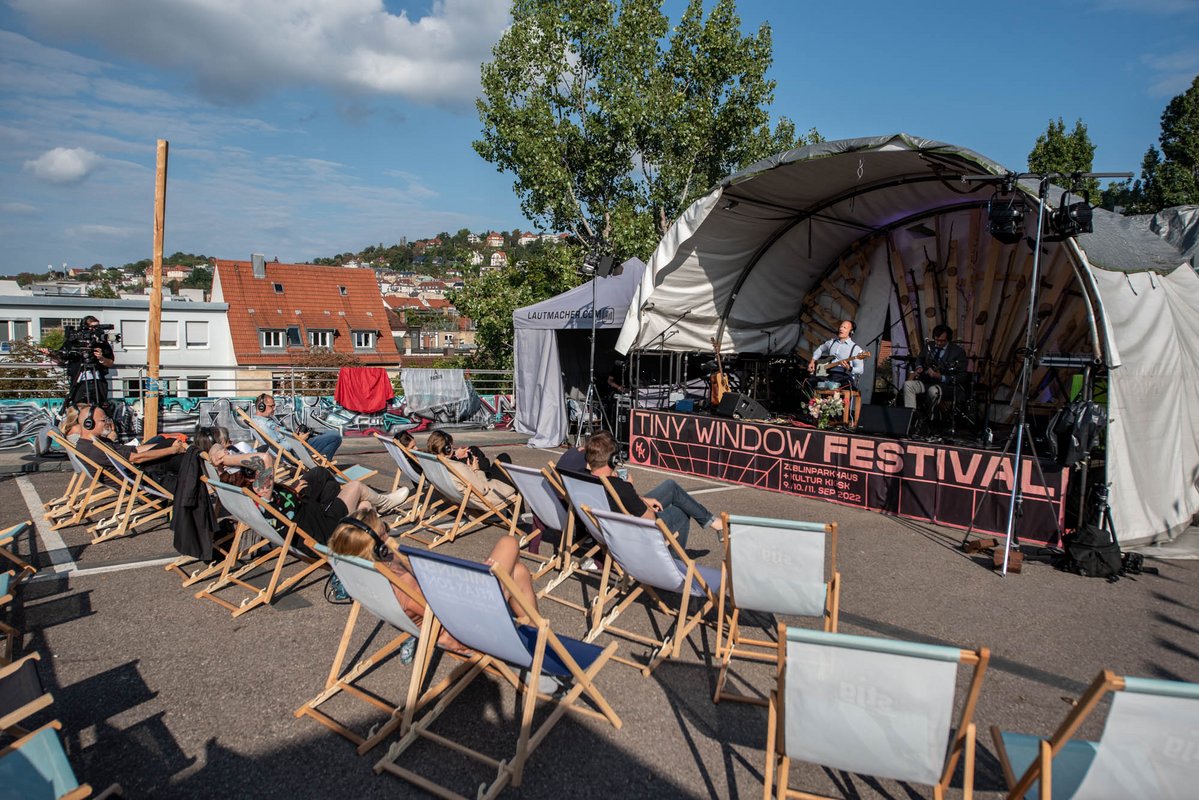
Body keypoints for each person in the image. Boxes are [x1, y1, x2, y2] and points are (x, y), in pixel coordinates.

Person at [327, 504, 541, 653]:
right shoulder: (402, 589)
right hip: (472, 621)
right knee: (509, 542)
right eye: (386, 531)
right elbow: (450, 624)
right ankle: (535, 644)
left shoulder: (377, 576)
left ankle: (535, 634)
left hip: (452, 607)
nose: (390, 535)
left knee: (519, 572)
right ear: (378, 547)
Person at [583, 431, 722, 549]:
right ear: (613, 460)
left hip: (604, 529)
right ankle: (675, 563)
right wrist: (630, 487)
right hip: (630, 534)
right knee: (681, 511)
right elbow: (650, 519)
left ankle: (712, 521)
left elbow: (622, 501)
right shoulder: (621, 487)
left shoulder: (583, 479)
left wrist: (641, 499)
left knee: (670, 486)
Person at [245, 457, 409, 546]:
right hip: (325, 529)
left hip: (318, 520)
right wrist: (221, 458)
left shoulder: (257, 498)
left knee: (363, 506)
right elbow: (264, 459)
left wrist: (294, 490)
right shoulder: (263, 495)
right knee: (356, 486)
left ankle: (373, 530)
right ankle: (385, 503)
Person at [74, 404, 188, 493]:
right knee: (178, 459)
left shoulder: (92, 443)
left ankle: (194, 467)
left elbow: (133, 450)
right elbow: (136, 458)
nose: (107, 423)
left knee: (166, 442)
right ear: (89, 424)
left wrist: (166, 445)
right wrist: (172, 450)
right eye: (103, 420)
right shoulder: (94, 448)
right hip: (139, 481)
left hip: (135, 474)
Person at [425, 430, 516, 502]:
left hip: (462, 496)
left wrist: (455, 455)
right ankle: (519, 514)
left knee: (473, 449)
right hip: (487, 495)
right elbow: (482, 490)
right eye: (451, 446)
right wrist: (476, 470)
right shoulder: (458, 466)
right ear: (447, 449)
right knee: (504, 458)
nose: (453, 448)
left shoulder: (432, 464)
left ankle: (486, 469)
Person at [48, 316, 115, 408]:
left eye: (97, 327)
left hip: (98, 381)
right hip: (79, 380)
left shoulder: (101, 342)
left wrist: (101, 358)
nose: (95, 330)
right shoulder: (74, 341)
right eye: (92, 327)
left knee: (100, 407)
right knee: (78, 407)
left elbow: (110, 362)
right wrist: (50, 354)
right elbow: (62, 358)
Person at [252, 393, 342, 462]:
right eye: (271, 406)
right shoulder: (263, 425)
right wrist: (299, 439)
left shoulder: (262, 421)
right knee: (335, 436)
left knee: (326, 433)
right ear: (261, 407)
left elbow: (281, 437)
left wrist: (296, 435)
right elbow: (280, 447)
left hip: (296, 445)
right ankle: (322, 465)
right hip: (296, 451)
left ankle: (321, 463)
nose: (274, 408)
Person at [902, 324, 967, 411]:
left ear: (948, 339)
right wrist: (919, 367)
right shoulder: (929, 346)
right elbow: (920, 358)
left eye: (942, 341)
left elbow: (962, 376)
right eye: (937, 340)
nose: (939, 343)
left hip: (946, 386)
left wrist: (941, 377)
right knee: (908, 385)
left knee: (933, 391)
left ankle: (931, 418)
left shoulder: (958, 352)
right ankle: (911, 416)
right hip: (927, 382)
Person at [805, 319, 865, 391]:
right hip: (828, 374)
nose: (841, 329)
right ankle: (815, 402)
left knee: (838, 385)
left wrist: (850, 368)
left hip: (843, 376)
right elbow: (820, 349)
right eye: (841, 327)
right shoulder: (831, 342)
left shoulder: (856, 349)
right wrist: (812, 361)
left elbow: (860, 370)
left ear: (851, 332)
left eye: (844, 328)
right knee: (809, 381)